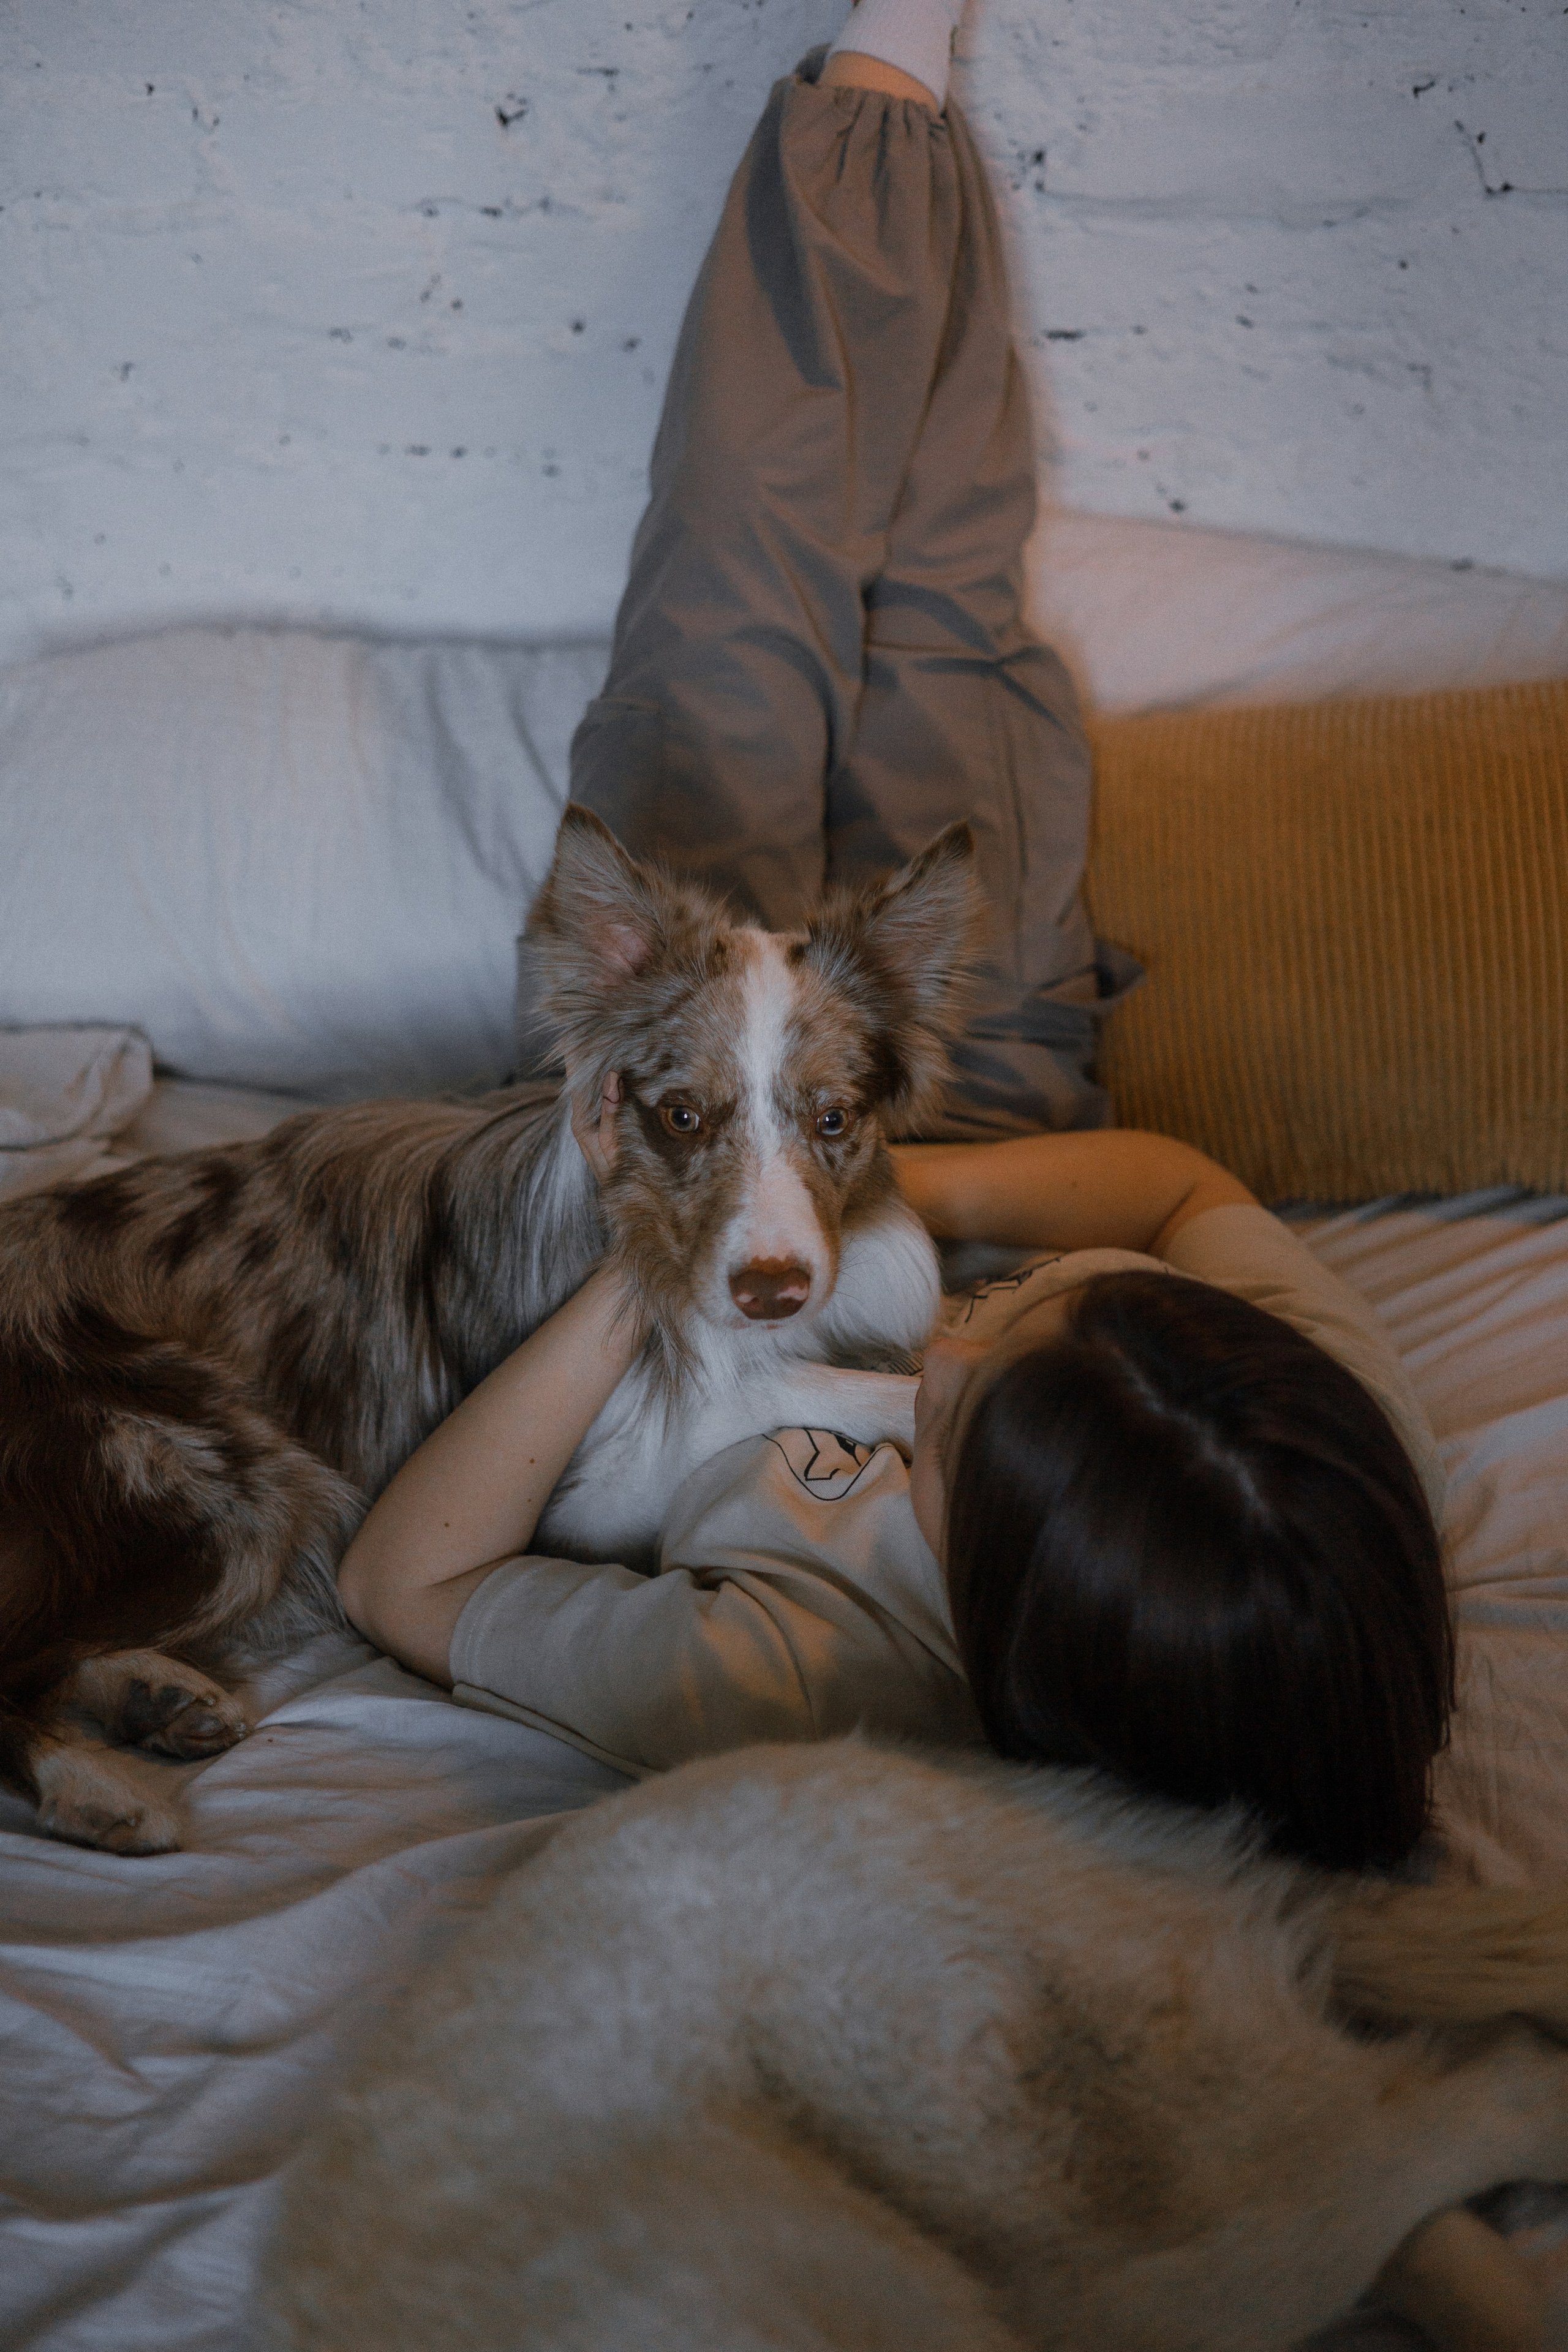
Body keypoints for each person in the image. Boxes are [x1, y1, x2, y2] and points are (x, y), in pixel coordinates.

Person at [339, 11, 1452, 1877]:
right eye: (1040, 1321)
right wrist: (869, 1157)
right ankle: (903, 97)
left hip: (683, 1148)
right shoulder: (1312, 1467)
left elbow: (404, 1576)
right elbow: (1173, 1196)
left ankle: (873, 90)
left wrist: (699, 1203)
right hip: (950, 1110)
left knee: (737, 625)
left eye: (968, 1394)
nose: (967, 1337)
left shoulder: (806, 1673)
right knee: (950, 632)